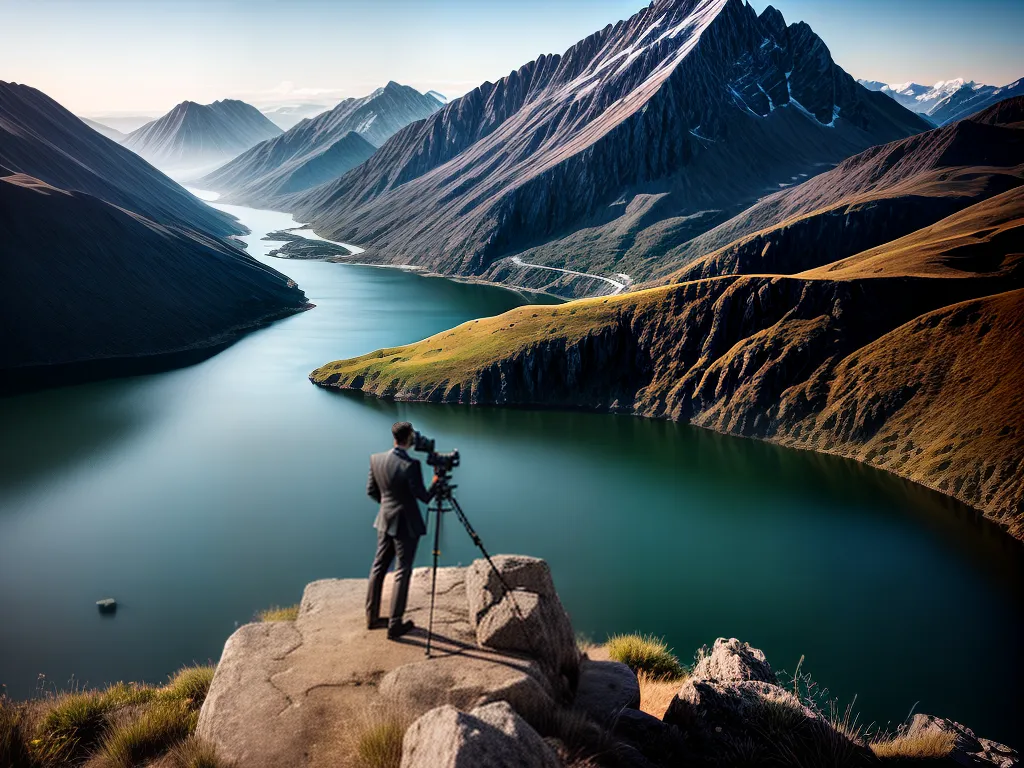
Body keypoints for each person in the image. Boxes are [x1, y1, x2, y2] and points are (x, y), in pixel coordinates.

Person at [365, 421, 437, 640]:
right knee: (402, 571)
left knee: (378, 567)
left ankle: (372, 618)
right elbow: (424, 496)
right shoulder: (411, 465)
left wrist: (389, 506)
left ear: (394, 437)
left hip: (385, 521)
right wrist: (436, 479)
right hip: (406, 525)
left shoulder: (376, 459)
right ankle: (395, 624)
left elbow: (371, 491)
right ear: (409, 438)